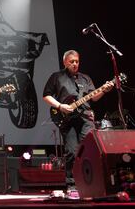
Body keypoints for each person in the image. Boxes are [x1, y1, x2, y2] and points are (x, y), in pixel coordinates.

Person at [42, 50, 114, 194]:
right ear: (65, 62)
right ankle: (72, 185)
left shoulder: (85, 78)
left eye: (77, 61)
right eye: (71, 61)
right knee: (72, 152)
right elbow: (46, 95)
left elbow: (94, 97)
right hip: (67, 119)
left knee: (89, 151)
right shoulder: (57, 77)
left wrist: (105, 90)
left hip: (86, 117)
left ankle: (92, 183)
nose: (75, 64)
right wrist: (60, 106)